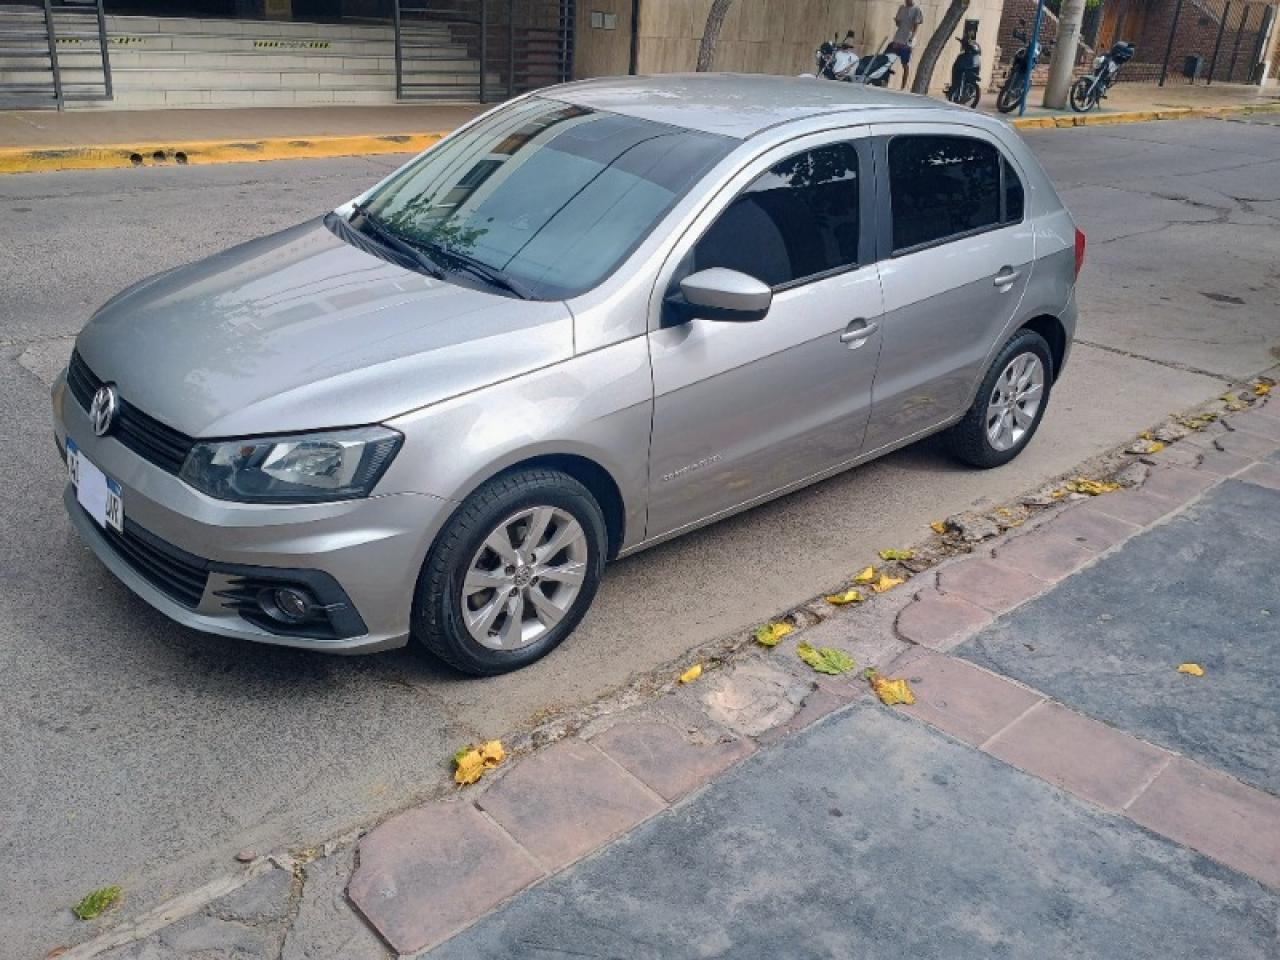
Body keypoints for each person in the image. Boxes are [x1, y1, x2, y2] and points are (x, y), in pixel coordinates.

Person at [889, 0, 924, 90]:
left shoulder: (916, 10)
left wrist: (911, 38)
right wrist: (896, 21)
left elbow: (916, 27)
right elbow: (898, 24)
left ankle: (903, 87)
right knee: (888, 59)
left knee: (905, 64)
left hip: (907, 41)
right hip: (898, 38)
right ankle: (884, 81)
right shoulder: (902, 8)